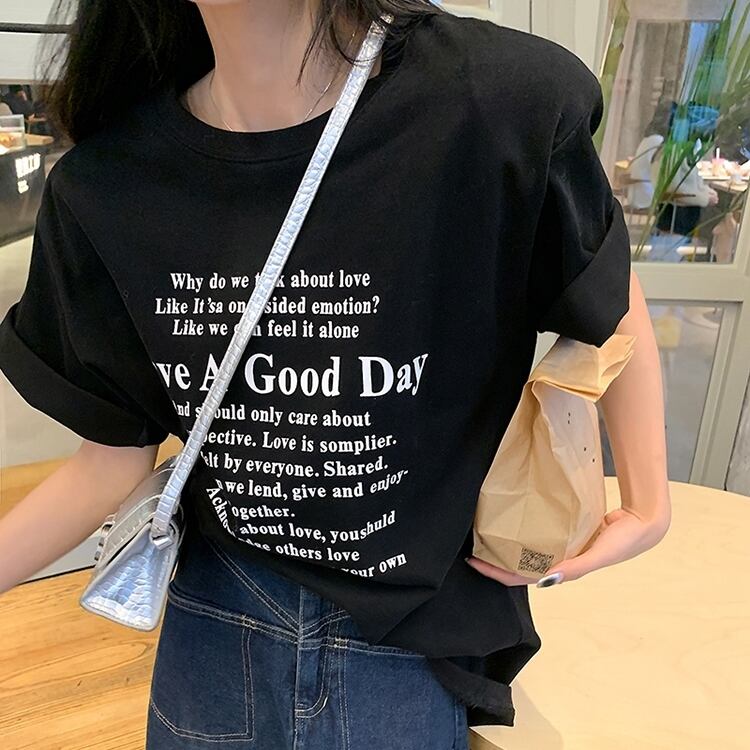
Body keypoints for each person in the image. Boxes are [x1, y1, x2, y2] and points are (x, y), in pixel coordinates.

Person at [0, 1, 671, 748]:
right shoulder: (111, 184)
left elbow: (601, 285)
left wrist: (648, 501)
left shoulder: (496, 104)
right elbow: (109, 461)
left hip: (409, 640)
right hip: (217, 626)